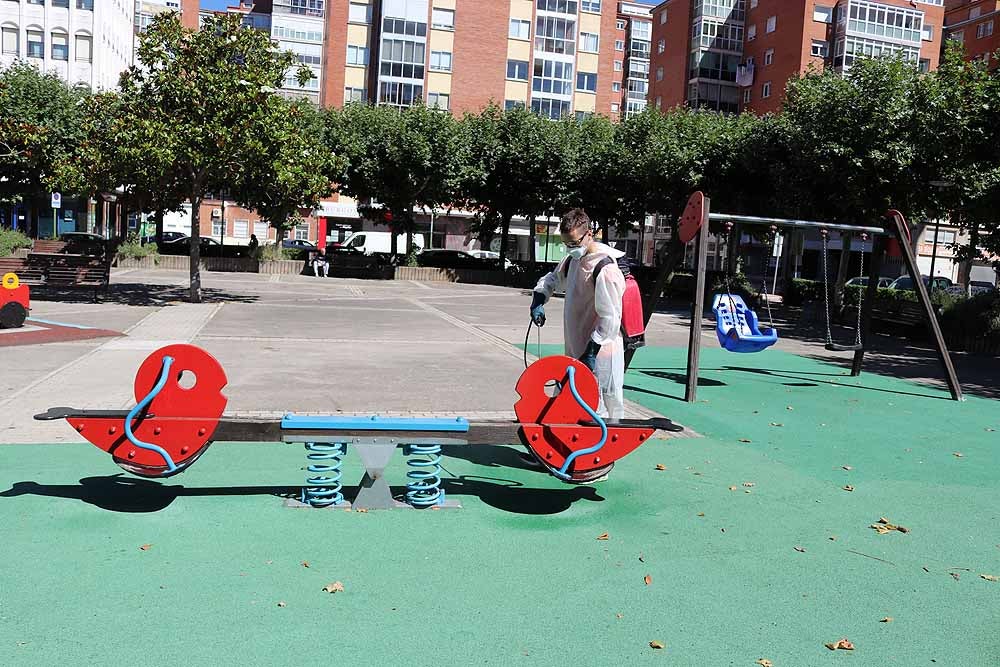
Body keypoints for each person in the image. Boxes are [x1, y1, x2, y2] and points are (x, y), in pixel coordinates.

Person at [530, 208, 627, 423]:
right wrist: (539, 298)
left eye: (574, 243)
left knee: (601, 410)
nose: (570, 248)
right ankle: (557, 455)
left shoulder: (605, 268)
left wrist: (592, 350)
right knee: (569, 404)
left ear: (589, 233)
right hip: (576, 347)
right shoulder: (573, 260)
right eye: (566, 244)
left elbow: (610, 318)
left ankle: (602, 456)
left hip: (601, 353)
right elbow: (553, 279)